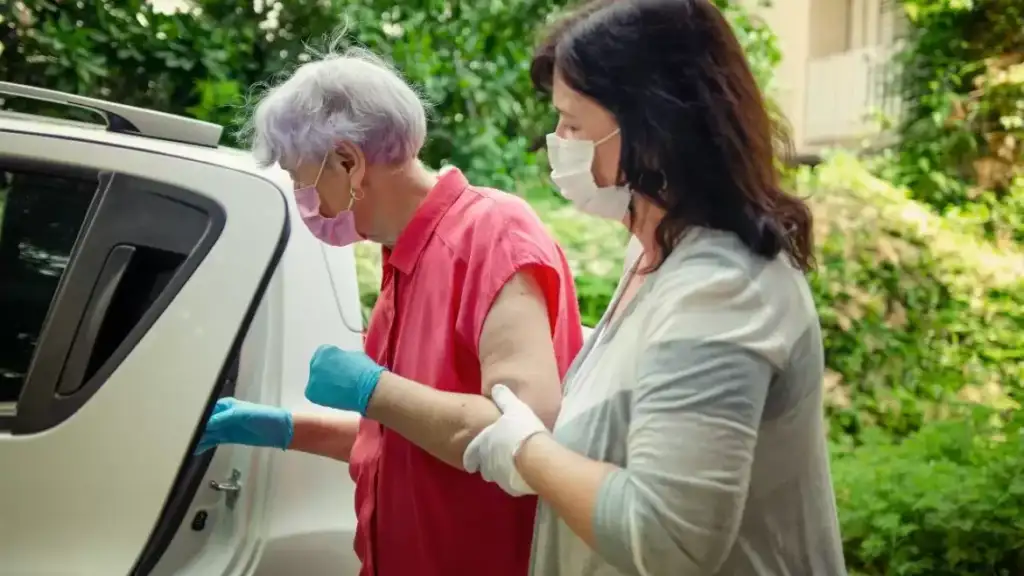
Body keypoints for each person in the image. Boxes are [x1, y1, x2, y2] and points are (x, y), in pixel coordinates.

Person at [462, 0, 848, 575]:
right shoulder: (653, 258)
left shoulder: (721, 289)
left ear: (653, 130)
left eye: (574, 124)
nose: (558, 141)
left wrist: (525, 449)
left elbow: (667, 538)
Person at [195, 45, 584, 576]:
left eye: (300, 177)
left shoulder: (492, 233)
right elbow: (404, 437)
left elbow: (521, 435)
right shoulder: (401, 258)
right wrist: (284, 428)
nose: (302, 195)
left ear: (348, 162)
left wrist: (372, 389)